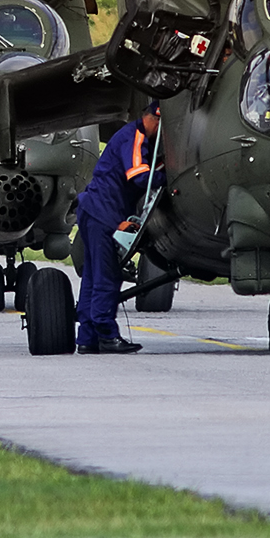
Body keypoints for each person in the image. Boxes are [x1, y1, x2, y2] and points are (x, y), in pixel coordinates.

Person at [73, 103, 164, 355]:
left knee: (92, 275)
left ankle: (87, 338)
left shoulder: (129, 136)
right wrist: (166, 177)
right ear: (152, 120)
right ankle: (107, 335)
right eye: (160, 126)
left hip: (93, 211)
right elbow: (139, 177)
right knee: (107, 275)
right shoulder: (134, 137)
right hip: (102, 213)